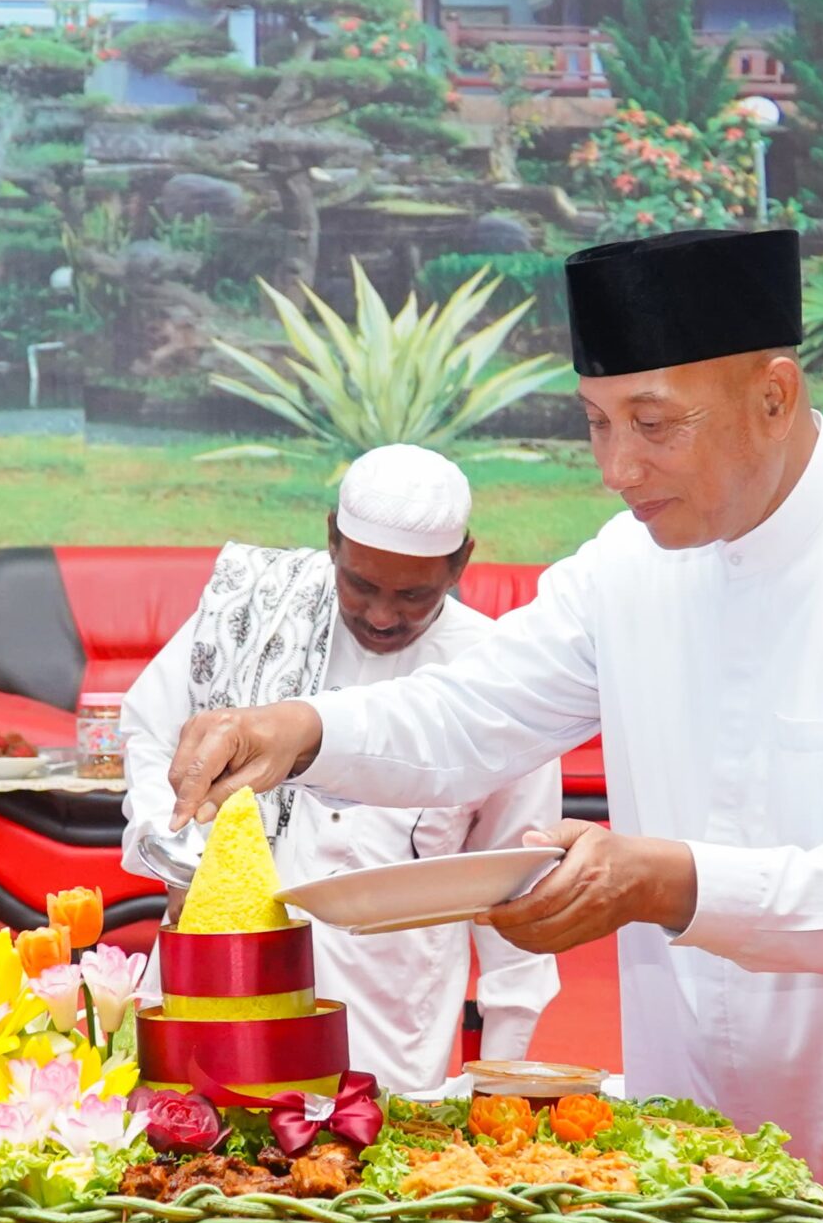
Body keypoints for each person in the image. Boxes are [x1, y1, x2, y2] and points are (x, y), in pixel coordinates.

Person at [162, 229, 823, 1223]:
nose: (618, 468)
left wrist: (658, 882)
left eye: (654, 426)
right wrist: (303, 729)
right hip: (703, 1183)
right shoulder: (626, 565)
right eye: (597, 425)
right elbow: (474, 709)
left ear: (773, 395)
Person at [121, 444, 560, 1091]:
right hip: (223, 975)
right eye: (361, 585)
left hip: (387, 1014)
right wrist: (186, 859)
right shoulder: (258, 613)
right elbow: (152, 730)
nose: (383, 616)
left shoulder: (492, 676)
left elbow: (516, 885)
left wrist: (502, 1071)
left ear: (461, 561)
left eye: (413, 594)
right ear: (332, 539)